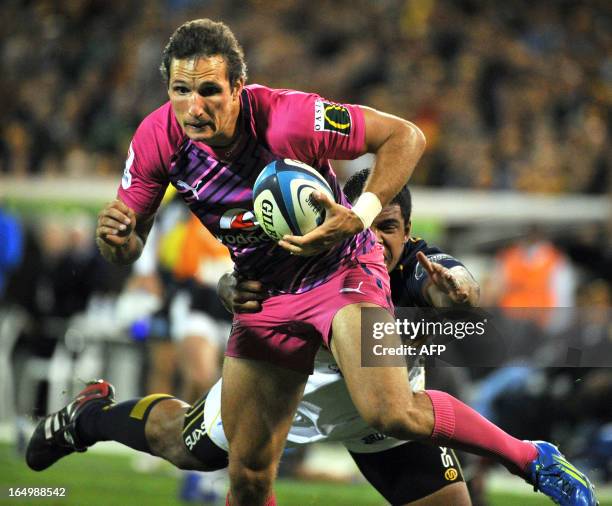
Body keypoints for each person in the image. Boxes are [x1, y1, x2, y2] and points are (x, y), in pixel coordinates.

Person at [26, 19, 596, 506]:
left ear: (239, 87)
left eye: (209, 91)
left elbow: (406, 137)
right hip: (266, 298)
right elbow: (126, 245)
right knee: (240, 472)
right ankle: (88, 419)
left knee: (391, 411)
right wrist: (115, 238)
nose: (195, 108)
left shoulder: (291, 119)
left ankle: (531, 458)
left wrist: (363, 212)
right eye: (181, 91)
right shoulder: (156, 139)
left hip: (339, 274)